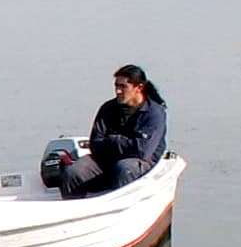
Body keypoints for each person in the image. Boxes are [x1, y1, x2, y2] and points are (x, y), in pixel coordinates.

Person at [61, 64, 167, 200]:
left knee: (124, 168)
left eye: (123, 87)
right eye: (116, 86)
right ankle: (73, 212)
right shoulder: (107, 109)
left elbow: (143, 151)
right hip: (108, 161)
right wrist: (125, 144)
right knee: (73, 171)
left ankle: (123, 210)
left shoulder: (154, 113)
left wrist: (112, 140)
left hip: (141, 164)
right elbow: (95, 144)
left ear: (139, 88)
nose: (118, 91)